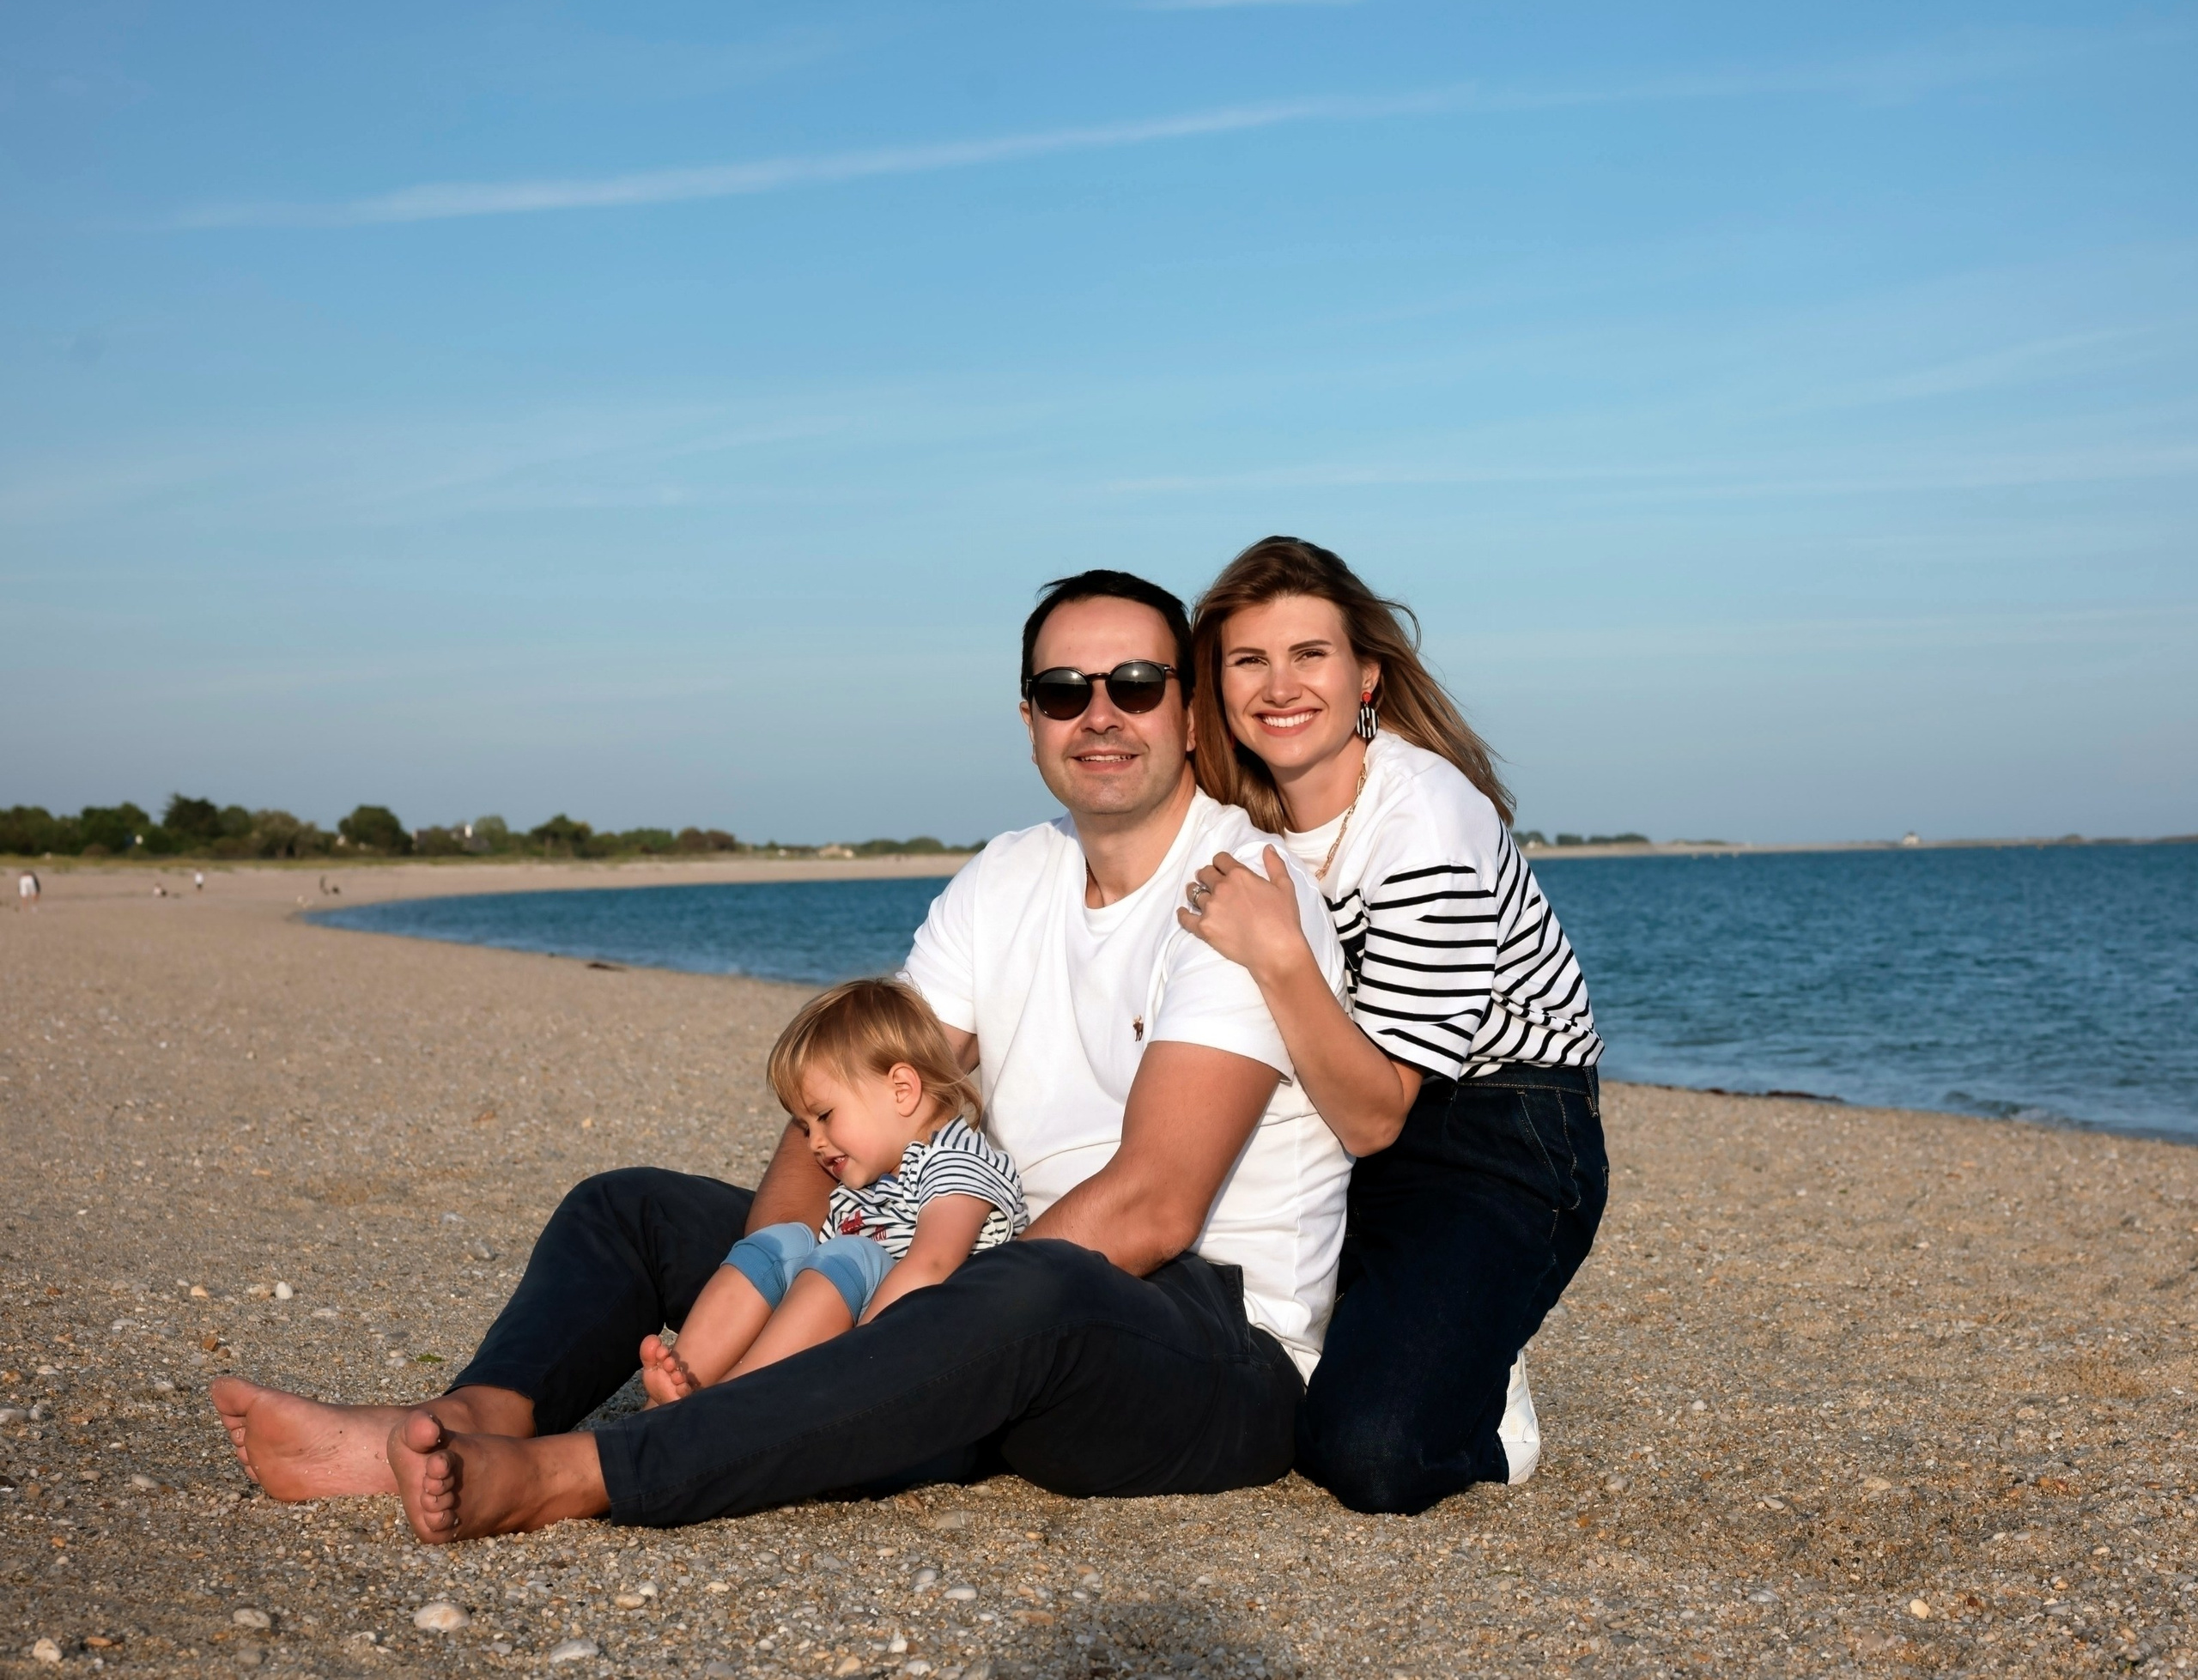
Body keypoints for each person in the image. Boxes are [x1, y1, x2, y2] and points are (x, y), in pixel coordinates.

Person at [210, 568, 1353, 1541]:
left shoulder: (1240, 886)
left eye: (1135, 684)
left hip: (1200, 1340)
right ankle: (466, 1426)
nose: (1099, 714)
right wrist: (790, 1273)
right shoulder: (1009, 874)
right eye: (1065, 691)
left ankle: (574, 1472)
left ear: (1190, 713)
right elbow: (855, 1090)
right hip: (971, 1264)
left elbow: (1150, 1207)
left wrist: (906, 1327)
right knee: (631, 1211)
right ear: (1029, 721)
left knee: (1023, 1292)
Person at [1177, 535, 1607, 1515]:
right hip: (1339, 1116)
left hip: (1496, 1129)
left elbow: (1378, 1117)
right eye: (1248, 660)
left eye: (1310, 655)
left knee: (1371, 1452)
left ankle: (1488, 1404)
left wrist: (1280, 952)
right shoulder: (1245, 820)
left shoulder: (1423, 817)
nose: (1280, 686)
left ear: (1365, 675)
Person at [635, 978, 1026, 1404]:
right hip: (848, 1350)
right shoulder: (864, 1188)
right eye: (805, 1128)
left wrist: (854, 1353)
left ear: (902, 1090)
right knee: (783, 1242)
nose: (814, 1144)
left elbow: (933, 1264)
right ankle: (682, 1387)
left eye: (824, 1116)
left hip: (926, 1359)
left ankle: (725, 1406)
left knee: (849, 1254)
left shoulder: (958, 1160)